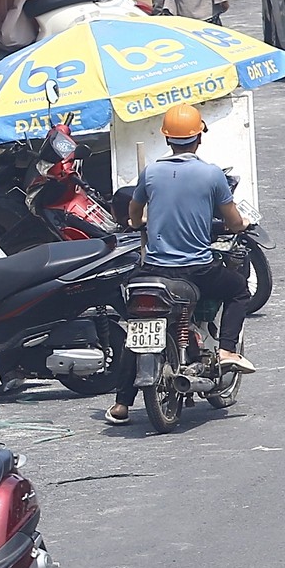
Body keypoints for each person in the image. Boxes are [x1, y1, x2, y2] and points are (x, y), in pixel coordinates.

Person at [109, 103, 253, 425]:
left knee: (138, 326)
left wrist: (142, 221)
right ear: (198, 137)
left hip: (154, 269)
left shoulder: (151, 173)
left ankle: (121, 403)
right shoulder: (212, 174)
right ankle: (227, 349)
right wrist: (239, 224)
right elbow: (232, 220)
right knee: (239, 290)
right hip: (197, 270)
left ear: (167, 139)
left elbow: (134, 216)